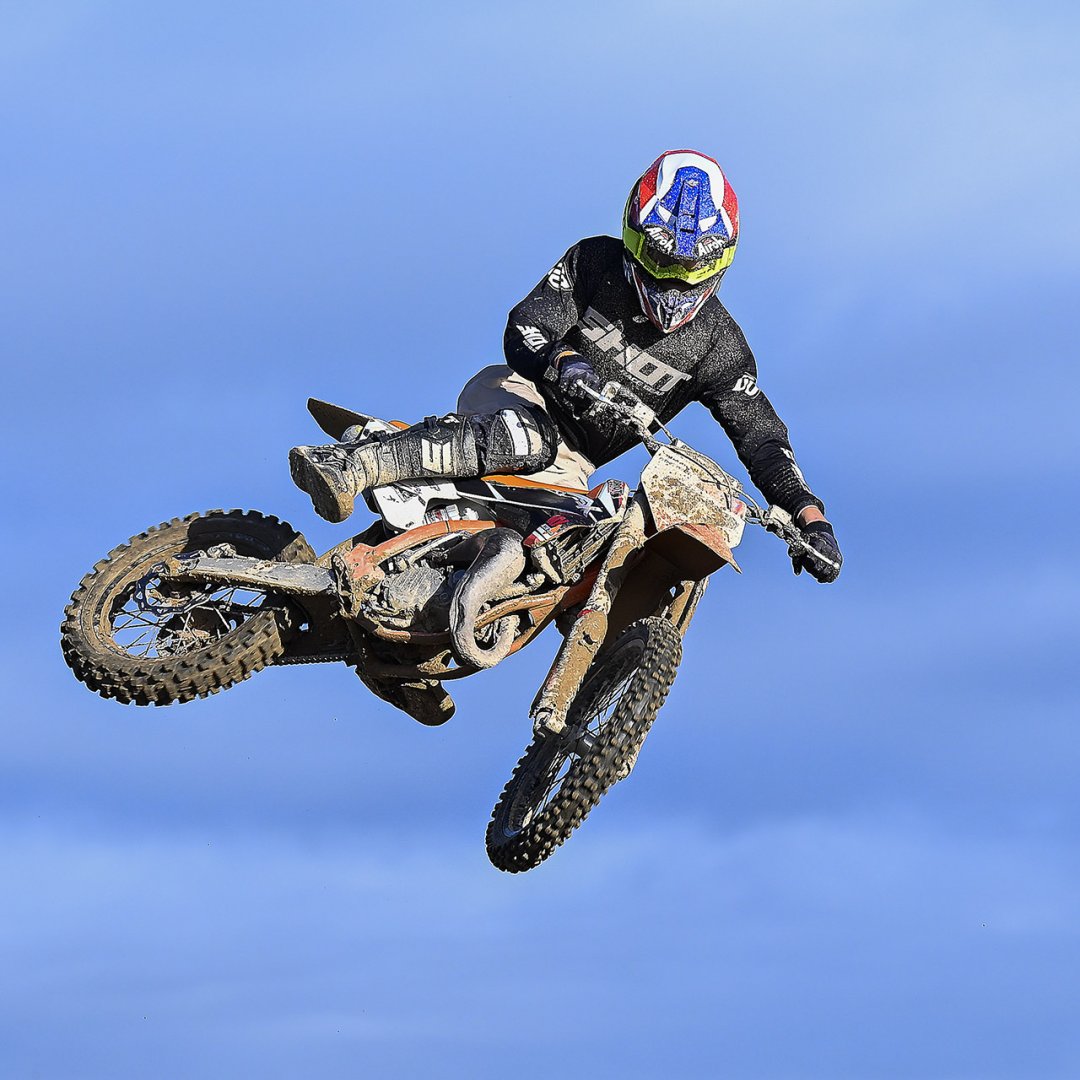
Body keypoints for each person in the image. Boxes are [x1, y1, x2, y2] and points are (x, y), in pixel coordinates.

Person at [290, 149, 842, 583]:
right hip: (518, 393)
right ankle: (351, 463)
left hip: (571, 465)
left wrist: (809, 518)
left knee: (573, 544)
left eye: (687, 267)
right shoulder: (594, 261)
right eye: (659, 259)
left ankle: (427, 627)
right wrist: (561, 360)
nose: (672, 280)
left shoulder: (720, 347)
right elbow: (525, 326)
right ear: (633, 235)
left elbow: (762, 439)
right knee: (531, 437)